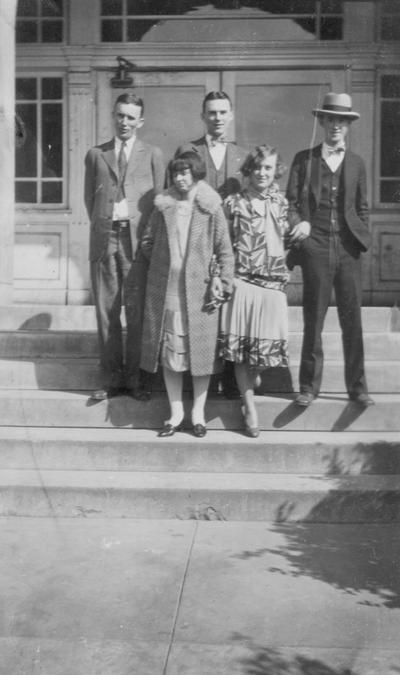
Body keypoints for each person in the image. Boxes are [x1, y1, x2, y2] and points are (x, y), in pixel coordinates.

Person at [286, 92, 374, 408]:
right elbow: (291, 203)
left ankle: (358, 388)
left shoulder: (357, 163)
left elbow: (362, 208)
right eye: (331, 119)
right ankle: (308, 387)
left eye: (342, 120)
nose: (336, 125)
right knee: (314, 319)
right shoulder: (304, 159)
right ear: (322, 121)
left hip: (349, 249)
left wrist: (361, 238)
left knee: (352, 321)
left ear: (348, 125)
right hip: (316, 247)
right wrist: (303, 227)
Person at [140, 151, 234, 438]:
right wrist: (163, 264)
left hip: (200, 292)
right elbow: (147, 241)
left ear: (197, 173)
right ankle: (175, 412)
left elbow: (225, 250)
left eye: (185, 172)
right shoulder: (163, 206)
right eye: (176, 173)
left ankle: (198, 414)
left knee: (200, 353)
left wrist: (222, 279)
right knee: (171, 353)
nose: (180, 178)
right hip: (168, 291)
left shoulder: (210, 207)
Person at [84, 92, 165, 401]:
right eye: (120, 115)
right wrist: (105, 225)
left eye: (131, 117)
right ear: (113, 116)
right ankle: (109, 378)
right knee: (107, 311)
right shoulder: (96, 154)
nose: (124, 122)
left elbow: (159, 201)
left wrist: (146, 238)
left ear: (140, 121)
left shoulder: (153, 154)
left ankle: (134, 379)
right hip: (106, 236)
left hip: (137, 242)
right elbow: (89, 199)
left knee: (136, 312)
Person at [176, 90, 248, 398]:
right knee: (198, 311)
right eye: (212, 112)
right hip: (197, 245)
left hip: (232, 246)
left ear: (230, 115)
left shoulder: (243, 155)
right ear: (203, 116)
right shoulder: (187, 149)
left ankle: (230, 381)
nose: (217, 118)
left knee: (230, 313)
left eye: (222, 112)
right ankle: (197, 381)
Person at [219, 145, 292, 437]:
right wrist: (225, 278)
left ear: (276, 172)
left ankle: (252, 382)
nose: (262, 173)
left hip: (272, 283)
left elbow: (285, 237)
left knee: (262, 354)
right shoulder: (233, 203)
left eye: (268, 168)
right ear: (249, 170)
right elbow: (223, 244)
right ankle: (249, 406)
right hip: (243, 281)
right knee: (241, 352)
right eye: (258, 167)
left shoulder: (282, 203)